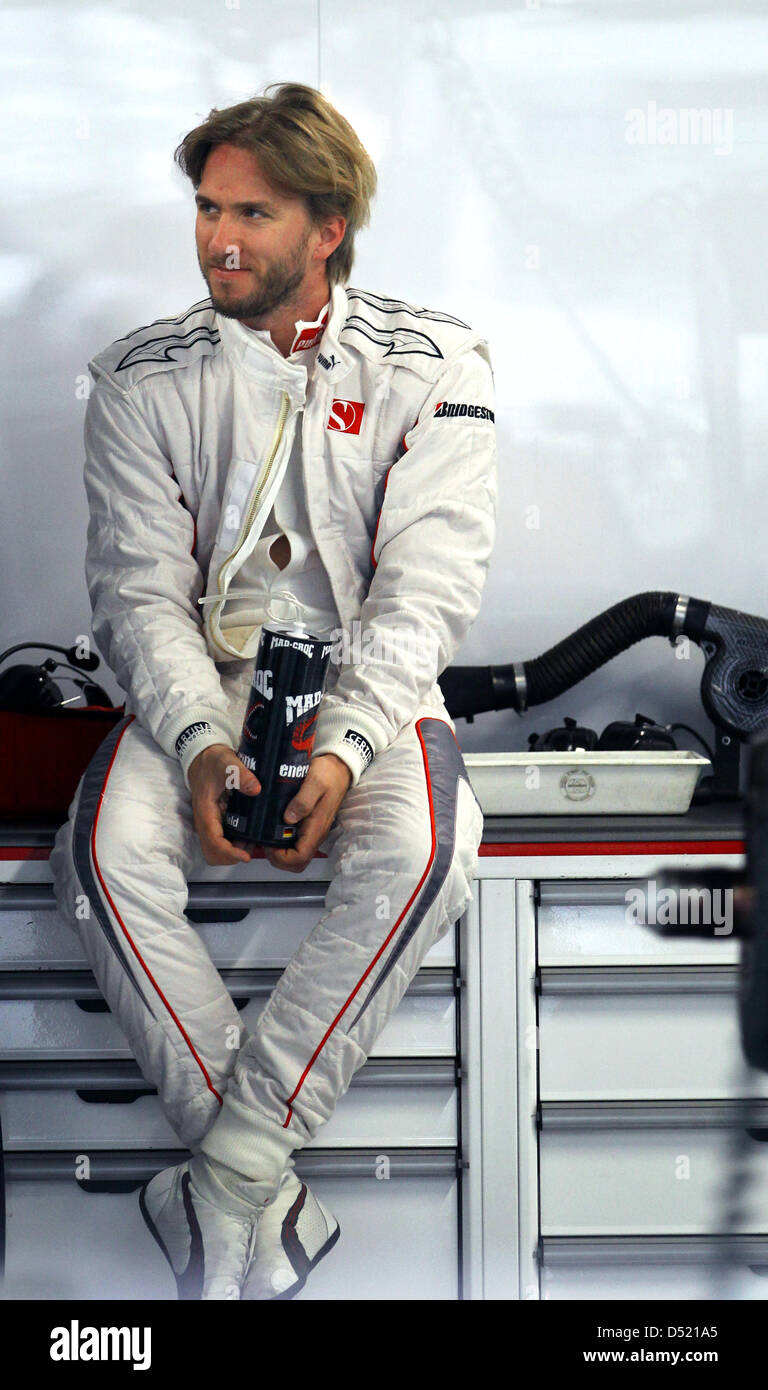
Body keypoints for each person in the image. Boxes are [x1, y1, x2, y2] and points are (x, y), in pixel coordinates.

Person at [50, 82, 497, 1301]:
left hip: (372, 685)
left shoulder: (438, 360)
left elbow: (427, 593)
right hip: (202, 680)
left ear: (329, 225)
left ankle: (225, 1171)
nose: (218, 238)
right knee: (97, 857)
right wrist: (199, 740)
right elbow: (137, 592)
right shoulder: (140, 375)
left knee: (428, 855)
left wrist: (345, 747)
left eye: (252, 210)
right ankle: (261, 1181)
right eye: (205, 207)